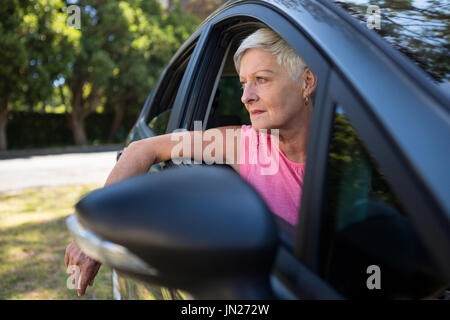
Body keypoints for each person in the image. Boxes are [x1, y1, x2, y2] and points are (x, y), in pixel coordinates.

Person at [64, 27, 317, 296]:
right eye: (244, 83)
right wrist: (94, 233)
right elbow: (141, 150)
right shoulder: (243, 144)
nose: (246, 96)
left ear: (307, 81)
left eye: (261, 79)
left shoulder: (351, 150)